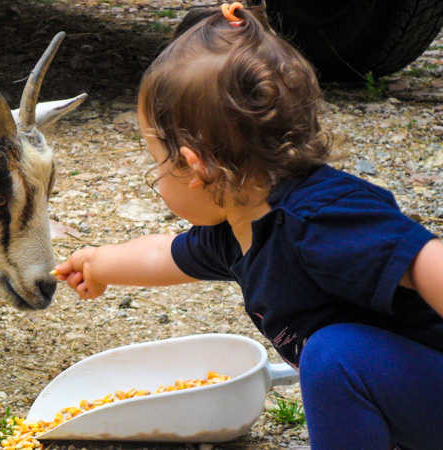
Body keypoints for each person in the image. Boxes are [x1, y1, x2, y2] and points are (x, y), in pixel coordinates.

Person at [52, 2, 443, 448]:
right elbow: (168, 254)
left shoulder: (319, 218)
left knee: (335, 357)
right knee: (337, 360)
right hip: (412, 397)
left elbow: (429, 260)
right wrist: (99, 265)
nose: (156, 177)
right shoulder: (236, 229)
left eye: (156, 161)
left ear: (194, 166)